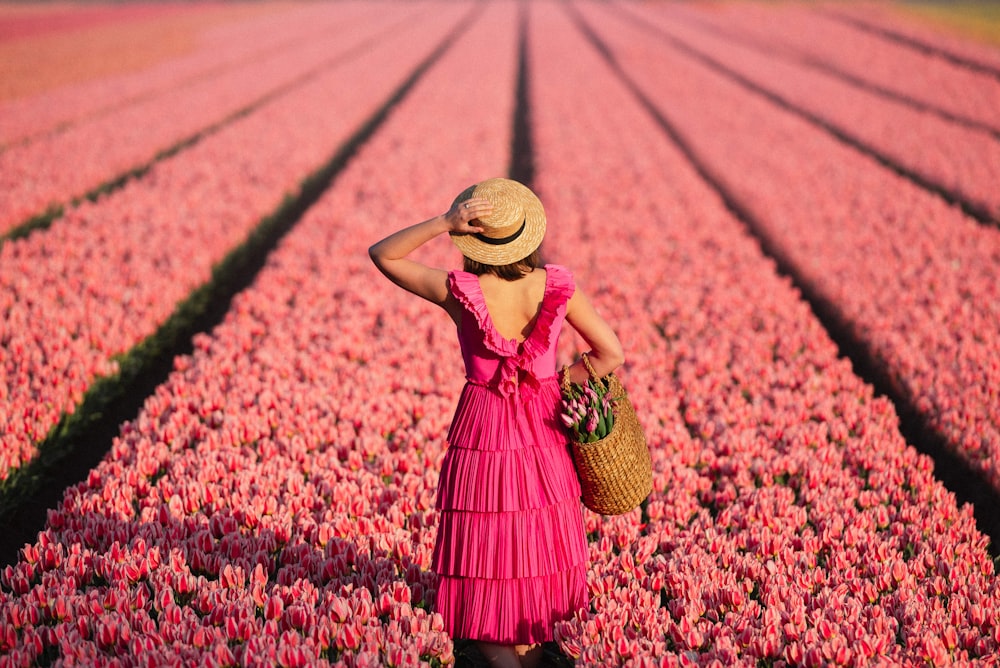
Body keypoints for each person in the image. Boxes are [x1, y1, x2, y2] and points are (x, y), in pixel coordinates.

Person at [368, 178, 624, 668]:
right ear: (525, 234)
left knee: (485, 550)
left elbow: (384, 255)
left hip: (483, 429)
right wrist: (550, 382)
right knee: (533, 547)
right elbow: (612, 352)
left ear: (472, 240)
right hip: (545, 429)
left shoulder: (459, 292)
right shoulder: (555, 287)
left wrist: (444, 222)